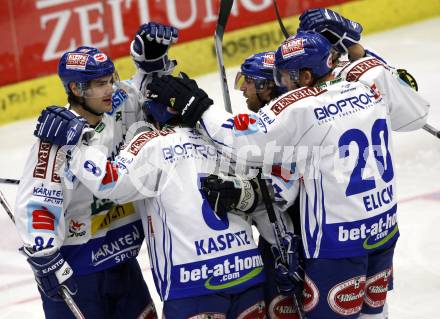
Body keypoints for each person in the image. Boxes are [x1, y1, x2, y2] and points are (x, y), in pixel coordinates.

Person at [144, 22, 430, 319]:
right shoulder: (365, 84)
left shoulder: (300, 108)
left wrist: (200, 106)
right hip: (382, 229)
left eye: (283, 77)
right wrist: (356, 47)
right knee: (374, 313)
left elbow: (242, 141)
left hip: (336, 241)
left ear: (305, 76)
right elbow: (414, 111)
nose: (281, 84)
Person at [14, 22, 178, 318]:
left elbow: (147, 96)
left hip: (124, 262)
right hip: (78, 272)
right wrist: (43, 254)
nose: (111, 89)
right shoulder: (57, 139)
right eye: (101, 84)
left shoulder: (116, 106)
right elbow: (38, 200)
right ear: (77, 89)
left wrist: (152, 64)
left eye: (110, 80)